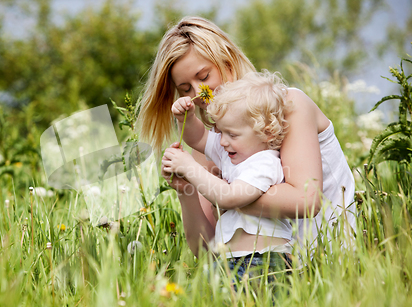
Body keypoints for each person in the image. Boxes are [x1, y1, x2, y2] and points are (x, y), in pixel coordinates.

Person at [138, 16, 356, 262]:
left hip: (332, 261)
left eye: (204, 76)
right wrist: (186, 191)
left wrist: (220, 192)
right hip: (256, 273)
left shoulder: (288, 106)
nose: (199, 93)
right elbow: (207, 249)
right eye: (186, 89)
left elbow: (305, 201)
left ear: (228, 63)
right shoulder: (215, 143)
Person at [162, 71, 293, 262]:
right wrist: (186, 119)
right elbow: (198, 138)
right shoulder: (232, 152)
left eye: (232, 134)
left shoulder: (265, 163)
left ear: (267, 133)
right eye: (220, 132)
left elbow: (229, 197)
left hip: (265, 260)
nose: (222, 141)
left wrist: (189, 167)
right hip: (232, 260)